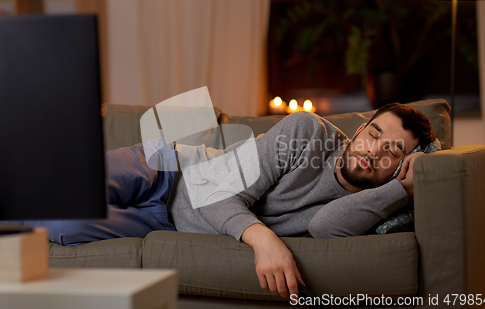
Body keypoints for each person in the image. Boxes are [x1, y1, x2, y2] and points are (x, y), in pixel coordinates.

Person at [24, 103, 436, 299]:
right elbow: (212, 191)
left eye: (393, 152)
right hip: (166, 170)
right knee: (55, 192)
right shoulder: (307, 132)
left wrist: (403, 189)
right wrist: (262, 238)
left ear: (400, 168)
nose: (373, 150)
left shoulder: (370, 200)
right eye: (374, 133)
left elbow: (325, 228)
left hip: (166, 225)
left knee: (60, 224)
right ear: (360, 128)